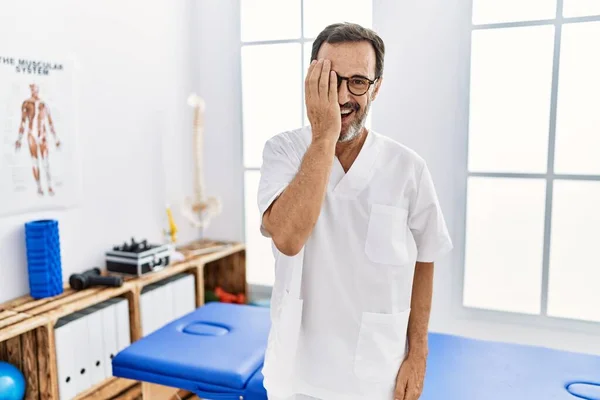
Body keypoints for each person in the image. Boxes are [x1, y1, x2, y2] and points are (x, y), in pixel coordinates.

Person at [257, 22, 453, 400]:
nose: (343, 96)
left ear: (376, 87)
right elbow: (288, 237)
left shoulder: (408, 168)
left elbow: (426, 257)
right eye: (331, 79)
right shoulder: (282, 152)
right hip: (296, 375)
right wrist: (324, 135)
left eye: (358, 82)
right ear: (312, 77)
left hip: (376, 376)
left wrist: (419, 353)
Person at [15, 83, 61, 196]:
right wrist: (19, 139)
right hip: (31, 135)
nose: (34, 91)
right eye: (32, 89)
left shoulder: (44, 104)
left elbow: (50, 122)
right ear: (30, 90)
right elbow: (23, 122)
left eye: (35, 89)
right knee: (35, 162)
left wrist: (56, 139)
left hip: (42, 134)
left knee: (46, 162)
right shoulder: (26, 104)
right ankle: (39, 187)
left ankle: (49, 186)